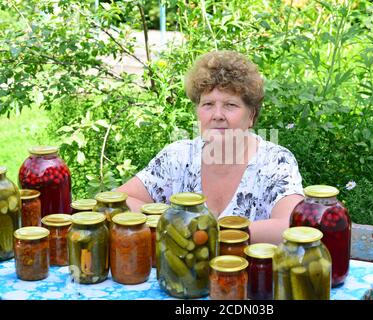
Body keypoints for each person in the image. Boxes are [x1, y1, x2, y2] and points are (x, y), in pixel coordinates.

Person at [117, 50, 304, 244]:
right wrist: (175, 223)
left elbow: (292, 225)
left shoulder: (276, 161)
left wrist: (209, 232)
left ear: (251, 116)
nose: (217, 115)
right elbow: (119, 201)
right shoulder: (178, 156)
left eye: (230, 105)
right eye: (208, 104)